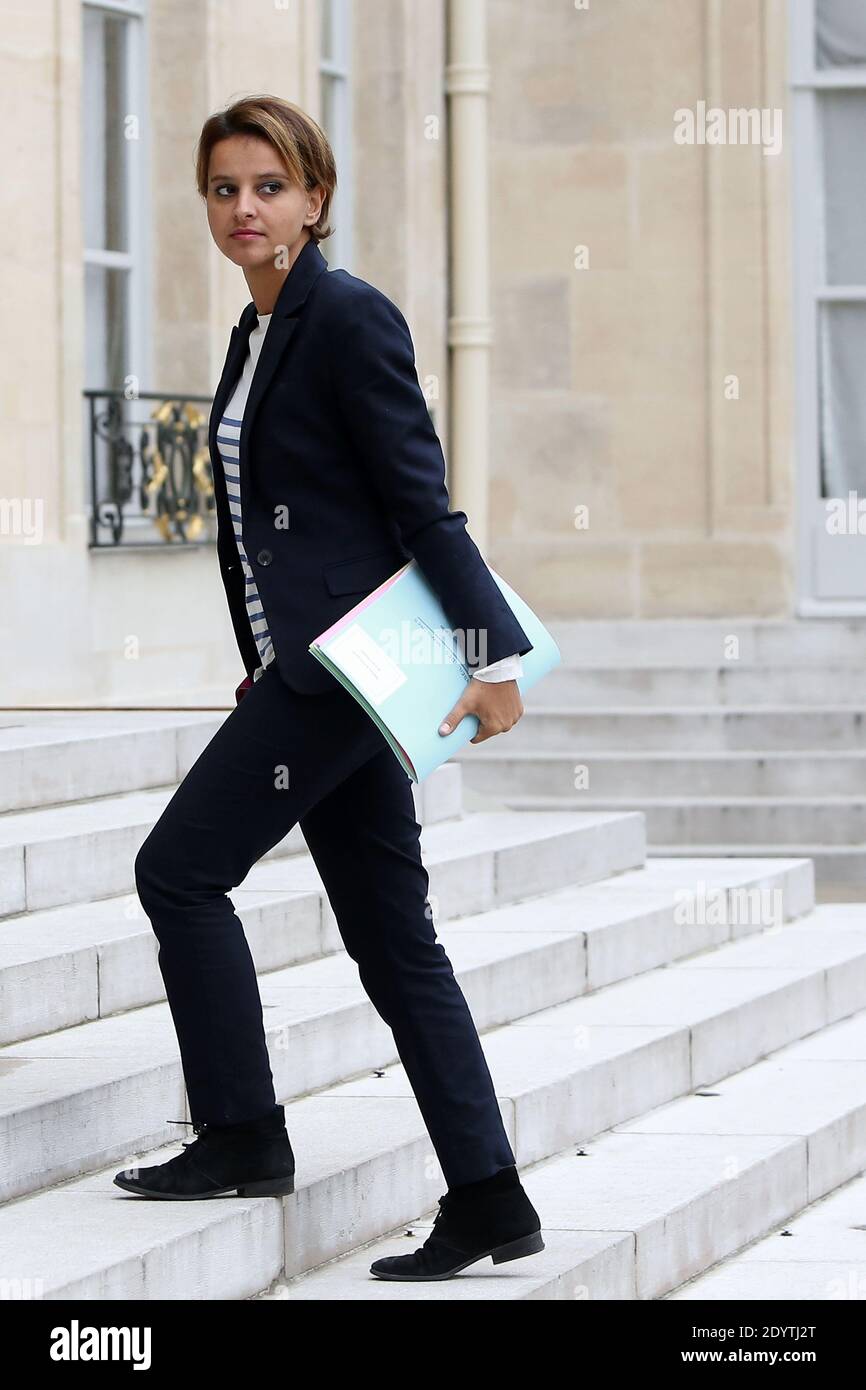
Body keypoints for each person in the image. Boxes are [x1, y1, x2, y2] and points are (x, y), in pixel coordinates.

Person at [113, 94, 544, 1282]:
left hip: (345, 680)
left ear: (315, 197)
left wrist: (490, 659)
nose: (243, 208)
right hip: (305, 670)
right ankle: (491, 1199)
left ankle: (244, 1131)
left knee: (178, 871)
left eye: (267, 187)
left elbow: (421, 502)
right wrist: (261, 653)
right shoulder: (259, 333)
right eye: (221, 189)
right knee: (394, 938)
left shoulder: (348, 318)